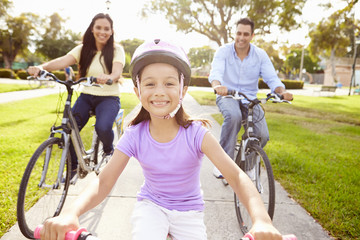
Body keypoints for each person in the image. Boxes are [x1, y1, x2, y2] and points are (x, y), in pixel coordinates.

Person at [38, 39, 282, 240]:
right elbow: (104, 182)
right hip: (151, 208)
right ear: (137, 91)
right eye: (150, 84)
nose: (159, 91)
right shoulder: (135, 134)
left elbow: (238, 177)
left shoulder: (197, 133)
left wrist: (261, 219)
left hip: (190, 213)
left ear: (183, 90)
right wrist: (71, 213)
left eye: (169, 83)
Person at [27, 13, 125, 179]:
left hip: (109, 97)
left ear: (112, 31)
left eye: (106, 28)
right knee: (70, 129)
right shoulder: (82, 49)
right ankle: (72, 169)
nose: (102, 31)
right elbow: (62, 61)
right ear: (92, 29)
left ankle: (108, 149)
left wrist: (109, 77)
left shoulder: (117, 50)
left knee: (102, 127)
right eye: (99, 27)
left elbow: (116, 72)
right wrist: (41, 67)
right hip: (87, 95)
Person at [208, 17, 293, 178]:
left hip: (250, 99)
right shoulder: (223, 51)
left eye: (246, 34)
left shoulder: (260, 55)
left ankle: (248, 165)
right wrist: (217, 86)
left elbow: (272, 79)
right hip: (228, 96)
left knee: (262, 135)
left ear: (252, 36)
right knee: (234, 116)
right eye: (239, 33)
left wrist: (282, 91)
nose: (241, 37)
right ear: (235, 33)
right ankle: (223, 165)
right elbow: (216, 73)